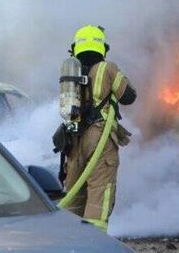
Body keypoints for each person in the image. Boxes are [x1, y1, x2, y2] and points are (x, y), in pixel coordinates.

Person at [57, 25, 137, 231]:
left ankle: (69, 242)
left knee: (73, 199)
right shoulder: (107, 68)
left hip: (74, 141)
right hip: (99, 138)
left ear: (76, 47)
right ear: (103, 48)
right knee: (99, 195)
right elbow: (128, 96)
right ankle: (94, 242)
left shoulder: (71, 73)